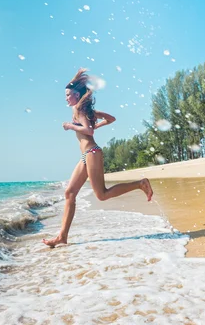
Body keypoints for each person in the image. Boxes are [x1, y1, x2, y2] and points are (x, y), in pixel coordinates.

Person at [42, 68, 153, 248]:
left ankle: (140, 184)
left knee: (101, 195)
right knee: (69, 193)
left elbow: (89, 130)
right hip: (87, 155)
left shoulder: (78, 110)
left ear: (77, 95)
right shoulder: (81, 110)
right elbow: (111, 119)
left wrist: (72, 126)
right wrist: (96, 119)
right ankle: (62, 236)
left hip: (92, 153)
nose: (66, 98)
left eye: (68, 95)